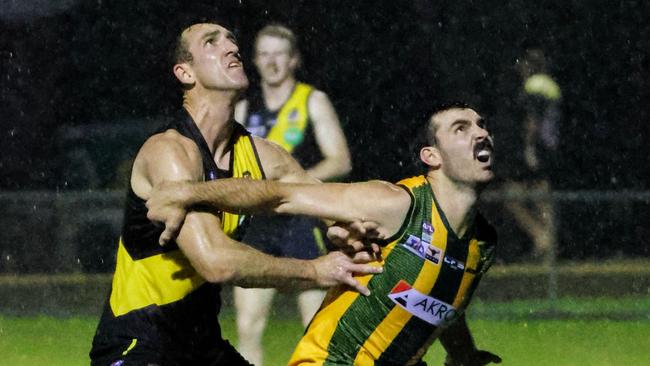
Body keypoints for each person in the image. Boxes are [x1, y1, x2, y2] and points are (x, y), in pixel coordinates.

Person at [88, 21, 381, 366]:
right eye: (212, 42)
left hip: (202, 348)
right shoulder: (170, 151)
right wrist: (315, 271)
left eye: (231, 39)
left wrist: (349, 228)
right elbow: (216, 262)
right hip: (139, 346)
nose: (231, 47)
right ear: (185, 73)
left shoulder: (264, 156)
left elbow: (331, 201)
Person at [147, 103, 503, 365]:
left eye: (481, 125)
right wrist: (187, 192)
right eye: (461, 128)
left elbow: (445, 295)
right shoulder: (395, 204)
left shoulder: (482, 242)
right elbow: (282, 196)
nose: (481, 132)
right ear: (432, 156)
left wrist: (463, 353)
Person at [232, 24, 352, 366]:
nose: (272, 62)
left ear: (294, 59)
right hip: (258, 223)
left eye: (279, 54)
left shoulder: (312, 100)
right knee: (248, 326)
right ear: (255, 60)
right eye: (265, 54)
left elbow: (340, 159)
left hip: (302, 220)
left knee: (315, 327)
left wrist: (292, 186)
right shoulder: (243, 108)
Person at [505, 48, 561, 264]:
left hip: (536, 152)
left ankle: (541, 238)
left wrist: (528, 149)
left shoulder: (534, 87)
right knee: (543, 200)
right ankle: (549, 252)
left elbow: (532, 120)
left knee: (511, 197)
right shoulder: (551, 86)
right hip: (550, 149)